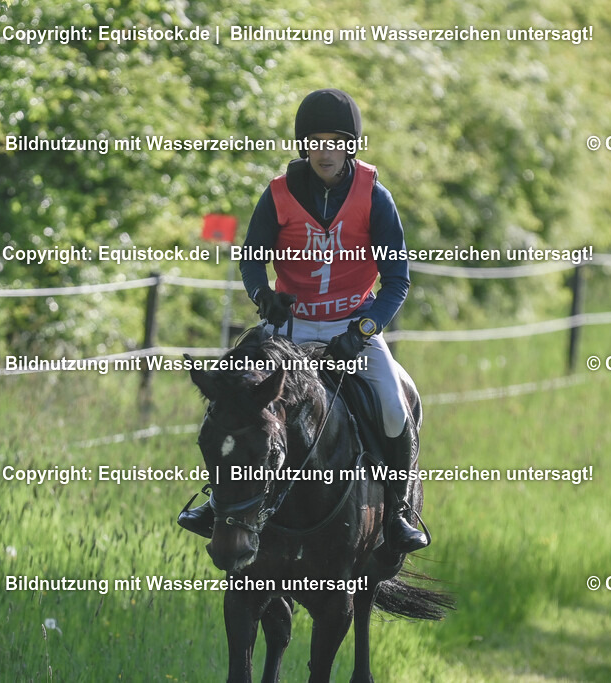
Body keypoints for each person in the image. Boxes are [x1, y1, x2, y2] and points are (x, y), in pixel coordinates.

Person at [178, 88, 429, 553]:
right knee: (231, 402)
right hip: (287, 330)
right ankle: (217, 504)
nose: (325, 150)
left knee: (394, 408)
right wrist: (262, 296)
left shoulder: (375, 197)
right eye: (316, 140)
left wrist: (365, 330)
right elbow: (252, 260)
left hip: (351, 326)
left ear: (351, 145)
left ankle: (396, 512)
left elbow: (397, 281)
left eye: (336, 141)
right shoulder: (277, 194)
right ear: (304, 144)